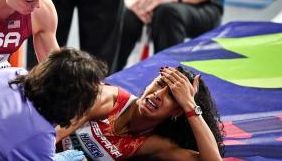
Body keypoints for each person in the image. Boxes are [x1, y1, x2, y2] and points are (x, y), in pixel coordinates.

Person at [57, 66, 225, 160]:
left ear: (177, 111)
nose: (158, 95)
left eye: (172, 96)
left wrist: (190, 106)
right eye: (159, 84)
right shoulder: (107, 98)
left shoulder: (153, 144)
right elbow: (49, 135)